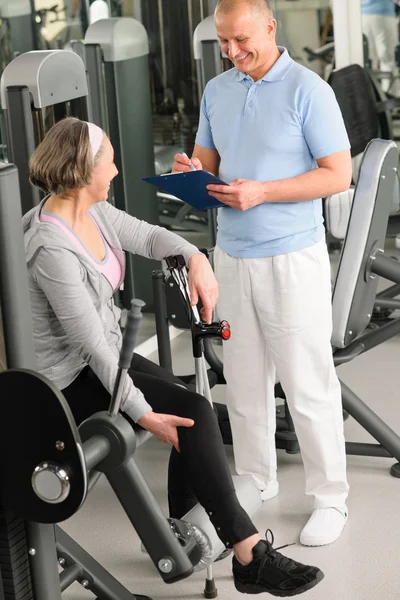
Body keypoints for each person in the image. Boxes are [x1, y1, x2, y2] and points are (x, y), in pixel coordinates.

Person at [23, 116, 324, 596]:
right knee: (192, 412)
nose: (117, 171)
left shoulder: (91, 212)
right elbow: (91, 348)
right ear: (83, 171)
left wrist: (195, 257)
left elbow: (148, 237)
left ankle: (180, 532)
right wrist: (144, 415)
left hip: (105, 354)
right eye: (110, 162)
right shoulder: (50, 245)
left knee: (189, 403)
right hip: (66, 381)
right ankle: (249, 554)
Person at [173, 0, 352, 547]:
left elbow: (337, 175)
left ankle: (330, 498)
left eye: (242, 39)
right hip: (232, 255)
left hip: (292, 257)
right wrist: (193, 172)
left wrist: (263, 191)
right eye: (224, 42)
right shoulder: (217, 91)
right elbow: (209, 161)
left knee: (306, 382)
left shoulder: (309, 91)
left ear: (271, 28)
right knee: (245, 381)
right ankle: (256, 477)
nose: (232, 52)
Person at [361, 0, 400, 97]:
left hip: (362, 15)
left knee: (368, 63)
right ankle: (391, 99)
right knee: (388, 60)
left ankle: (373, 99)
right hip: (383, 13)